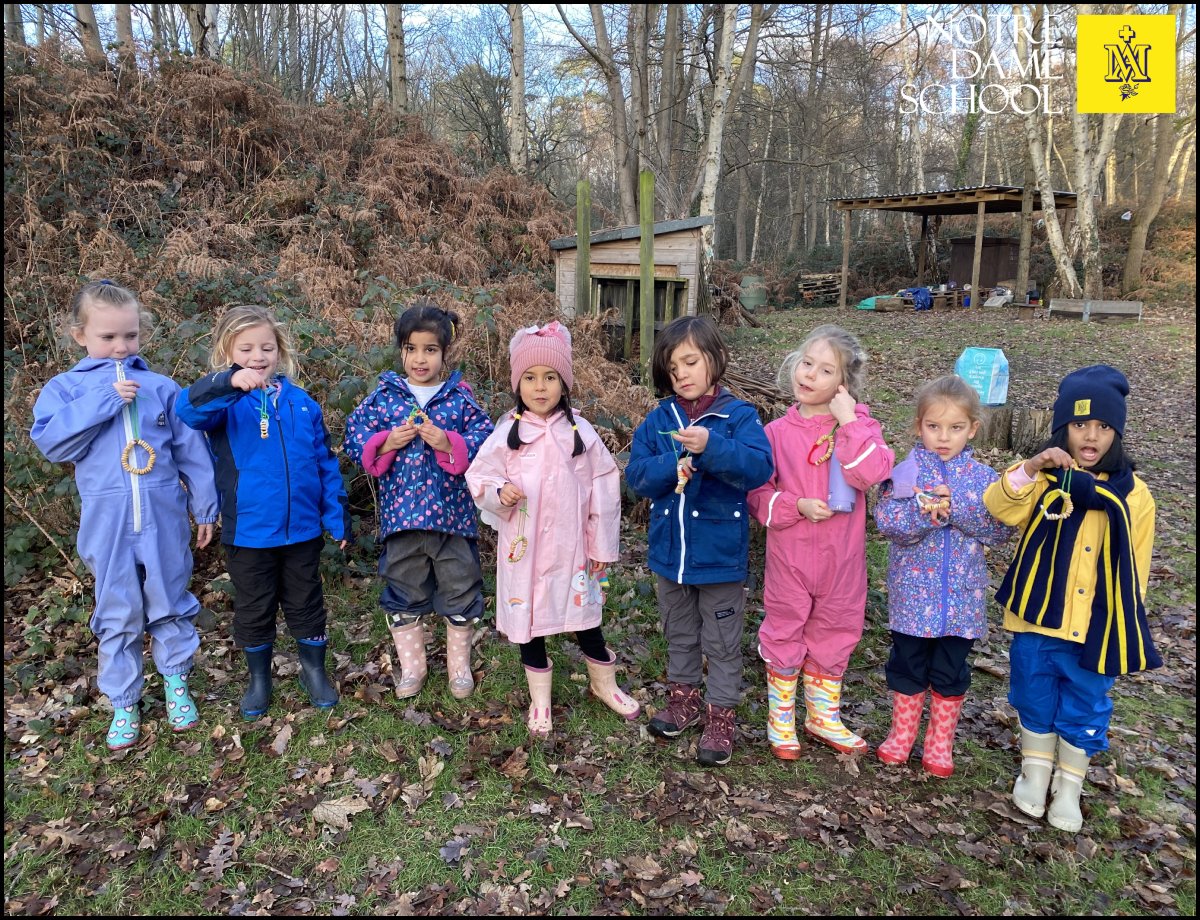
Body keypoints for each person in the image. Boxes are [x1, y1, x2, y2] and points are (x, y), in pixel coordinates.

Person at [31, 280, 219, 750]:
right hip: (107, 521)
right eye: (108, 337)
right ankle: (123, 700)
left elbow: (191, 450)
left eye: (130, 336)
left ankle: (176, 682)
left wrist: (204, 506)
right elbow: (53, 443)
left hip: (162, 516)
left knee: (169, 597)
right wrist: (105, 399)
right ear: (80, 335)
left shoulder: (160, 388)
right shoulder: (66, 390)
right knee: (117, 609)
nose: (120, 346)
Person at [985, 365, 1159, 832]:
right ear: (1064, 429)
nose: (1091, 436)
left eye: (1103, 427)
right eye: (1081, 425)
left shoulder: (1134, 495)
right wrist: (1030, 467)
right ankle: (1034, 773)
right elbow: (999, 507)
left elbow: (1136, 566)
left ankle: (1070, 785)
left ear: (1116, 433)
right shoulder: (1047, 480)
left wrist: (1125, 617)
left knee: (1085, 702)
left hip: (1095, 624)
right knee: (1034, 692)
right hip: (1037, 617)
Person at [178, 305, 349, 719]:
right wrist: (229, 383)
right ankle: (259, 679)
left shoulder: (302, 403)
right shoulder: (222, 404)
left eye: (267, 347)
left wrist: (335, 515)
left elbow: (324, 463)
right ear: (227, 352)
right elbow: (187, 408)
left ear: (280, 352)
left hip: (302, 531)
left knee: (306, 603)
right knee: (254, 607)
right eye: (247, 348)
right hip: (249, 532)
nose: (258, 356)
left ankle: (314, 670)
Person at [466, 322, 636, 736]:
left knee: (585, 616)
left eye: (550, 377)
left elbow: (605, 487)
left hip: (572, 549)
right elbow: (479, 477)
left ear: (564, 382)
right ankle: (540, 699)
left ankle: (603, 683)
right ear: (517, 383)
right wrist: (499, 491)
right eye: (529, 378)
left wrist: (601, 546)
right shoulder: (508, 432)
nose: (539, 387)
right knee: (528, 620)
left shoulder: (580, 433)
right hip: (524, 552)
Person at [627, 316, 774, 767]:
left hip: (721, 559)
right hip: (671, 556)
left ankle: (721, 714)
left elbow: (757, 468)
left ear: (715, 359)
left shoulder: (740, 417)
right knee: (680, 633)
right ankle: (684, 699)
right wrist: (674, 463)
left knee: (723, 640)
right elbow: (636, 476)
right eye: (673, 368)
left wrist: (711, 446)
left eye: (690, 362)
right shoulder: (659, 420)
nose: (683, 374)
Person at [747, 324, 894, 760]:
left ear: (843, 385)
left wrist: (848, 421)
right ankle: (781, 717)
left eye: (825, 370)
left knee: (836, 630)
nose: (809, 374)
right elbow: (758, 496)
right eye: (806, 363)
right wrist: (795, 506)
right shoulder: (775, 433)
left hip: (842, 562)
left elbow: (873, 474)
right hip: (790, 558)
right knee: (785, 626)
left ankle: (822, 716)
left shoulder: (861, 427)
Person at [342, 300, 493, 701]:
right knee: (402, 588)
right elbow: (354, 435)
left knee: (460, 587)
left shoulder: (459, 399)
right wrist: (386, 441)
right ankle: (414, 667)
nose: (420, 358)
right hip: (401, 517)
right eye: (411, 348)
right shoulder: (385, 397)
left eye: (430, 349)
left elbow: (488, 441)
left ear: (445, 353)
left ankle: (459, 667)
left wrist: (450, 442)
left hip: (453, 519)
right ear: (401, 350)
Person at [872, 375, 1013, 776]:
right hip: (913, 595)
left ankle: (939, 743)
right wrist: (926, 514)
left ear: (972, 428)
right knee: (908, 665)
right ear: (919, 426)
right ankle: (902, 735)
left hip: (961, 601)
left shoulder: (985, 480)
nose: (943, 436)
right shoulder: (906, 472)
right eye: (934, 426)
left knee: (950, 670)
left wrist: (960, 510)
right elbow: (888, 521)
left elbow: (1001, 529)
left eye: (955, 428)